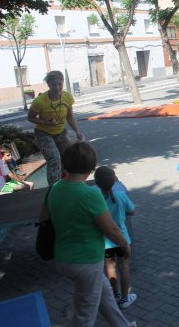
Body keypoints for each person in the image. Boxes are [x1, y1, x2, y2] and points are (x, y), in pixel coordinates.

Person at [39, 142, 136, 327]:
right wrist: (125, 245)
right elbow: (112, 230)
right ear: (91, 168)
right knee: (85, 315)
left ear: (65, 163)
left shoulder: (54, 188)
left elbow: (44, 219)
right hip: (86, 262)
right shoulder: (90, 195)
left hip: (62, 257)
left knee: (105, 293)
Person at [27, 71, 84, 185]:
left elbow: (69, 116)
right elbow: (30, 118)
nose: (57, 88)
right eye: (54, 85)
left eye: (60, 84)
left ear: (63, 83)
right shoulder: (40, 101)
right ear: (49, 85)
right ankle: (54, 188)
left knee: (67, 157)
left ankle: (67, 183)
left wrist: (77, 131)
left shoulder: (67, 97)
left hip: (61, 132)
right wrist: (45, 122)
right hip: (43, 133)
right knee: (54, 158)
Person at [94, 166, 137, 309]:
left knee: (110, 266)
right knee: (123, 266)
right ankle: (125, 299)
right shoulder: (120, 195)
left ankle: (116, 294)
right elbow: (132, 212)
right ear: (114, 181)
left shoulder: (95, 196)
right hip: (122, 239)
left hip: (105, 239)